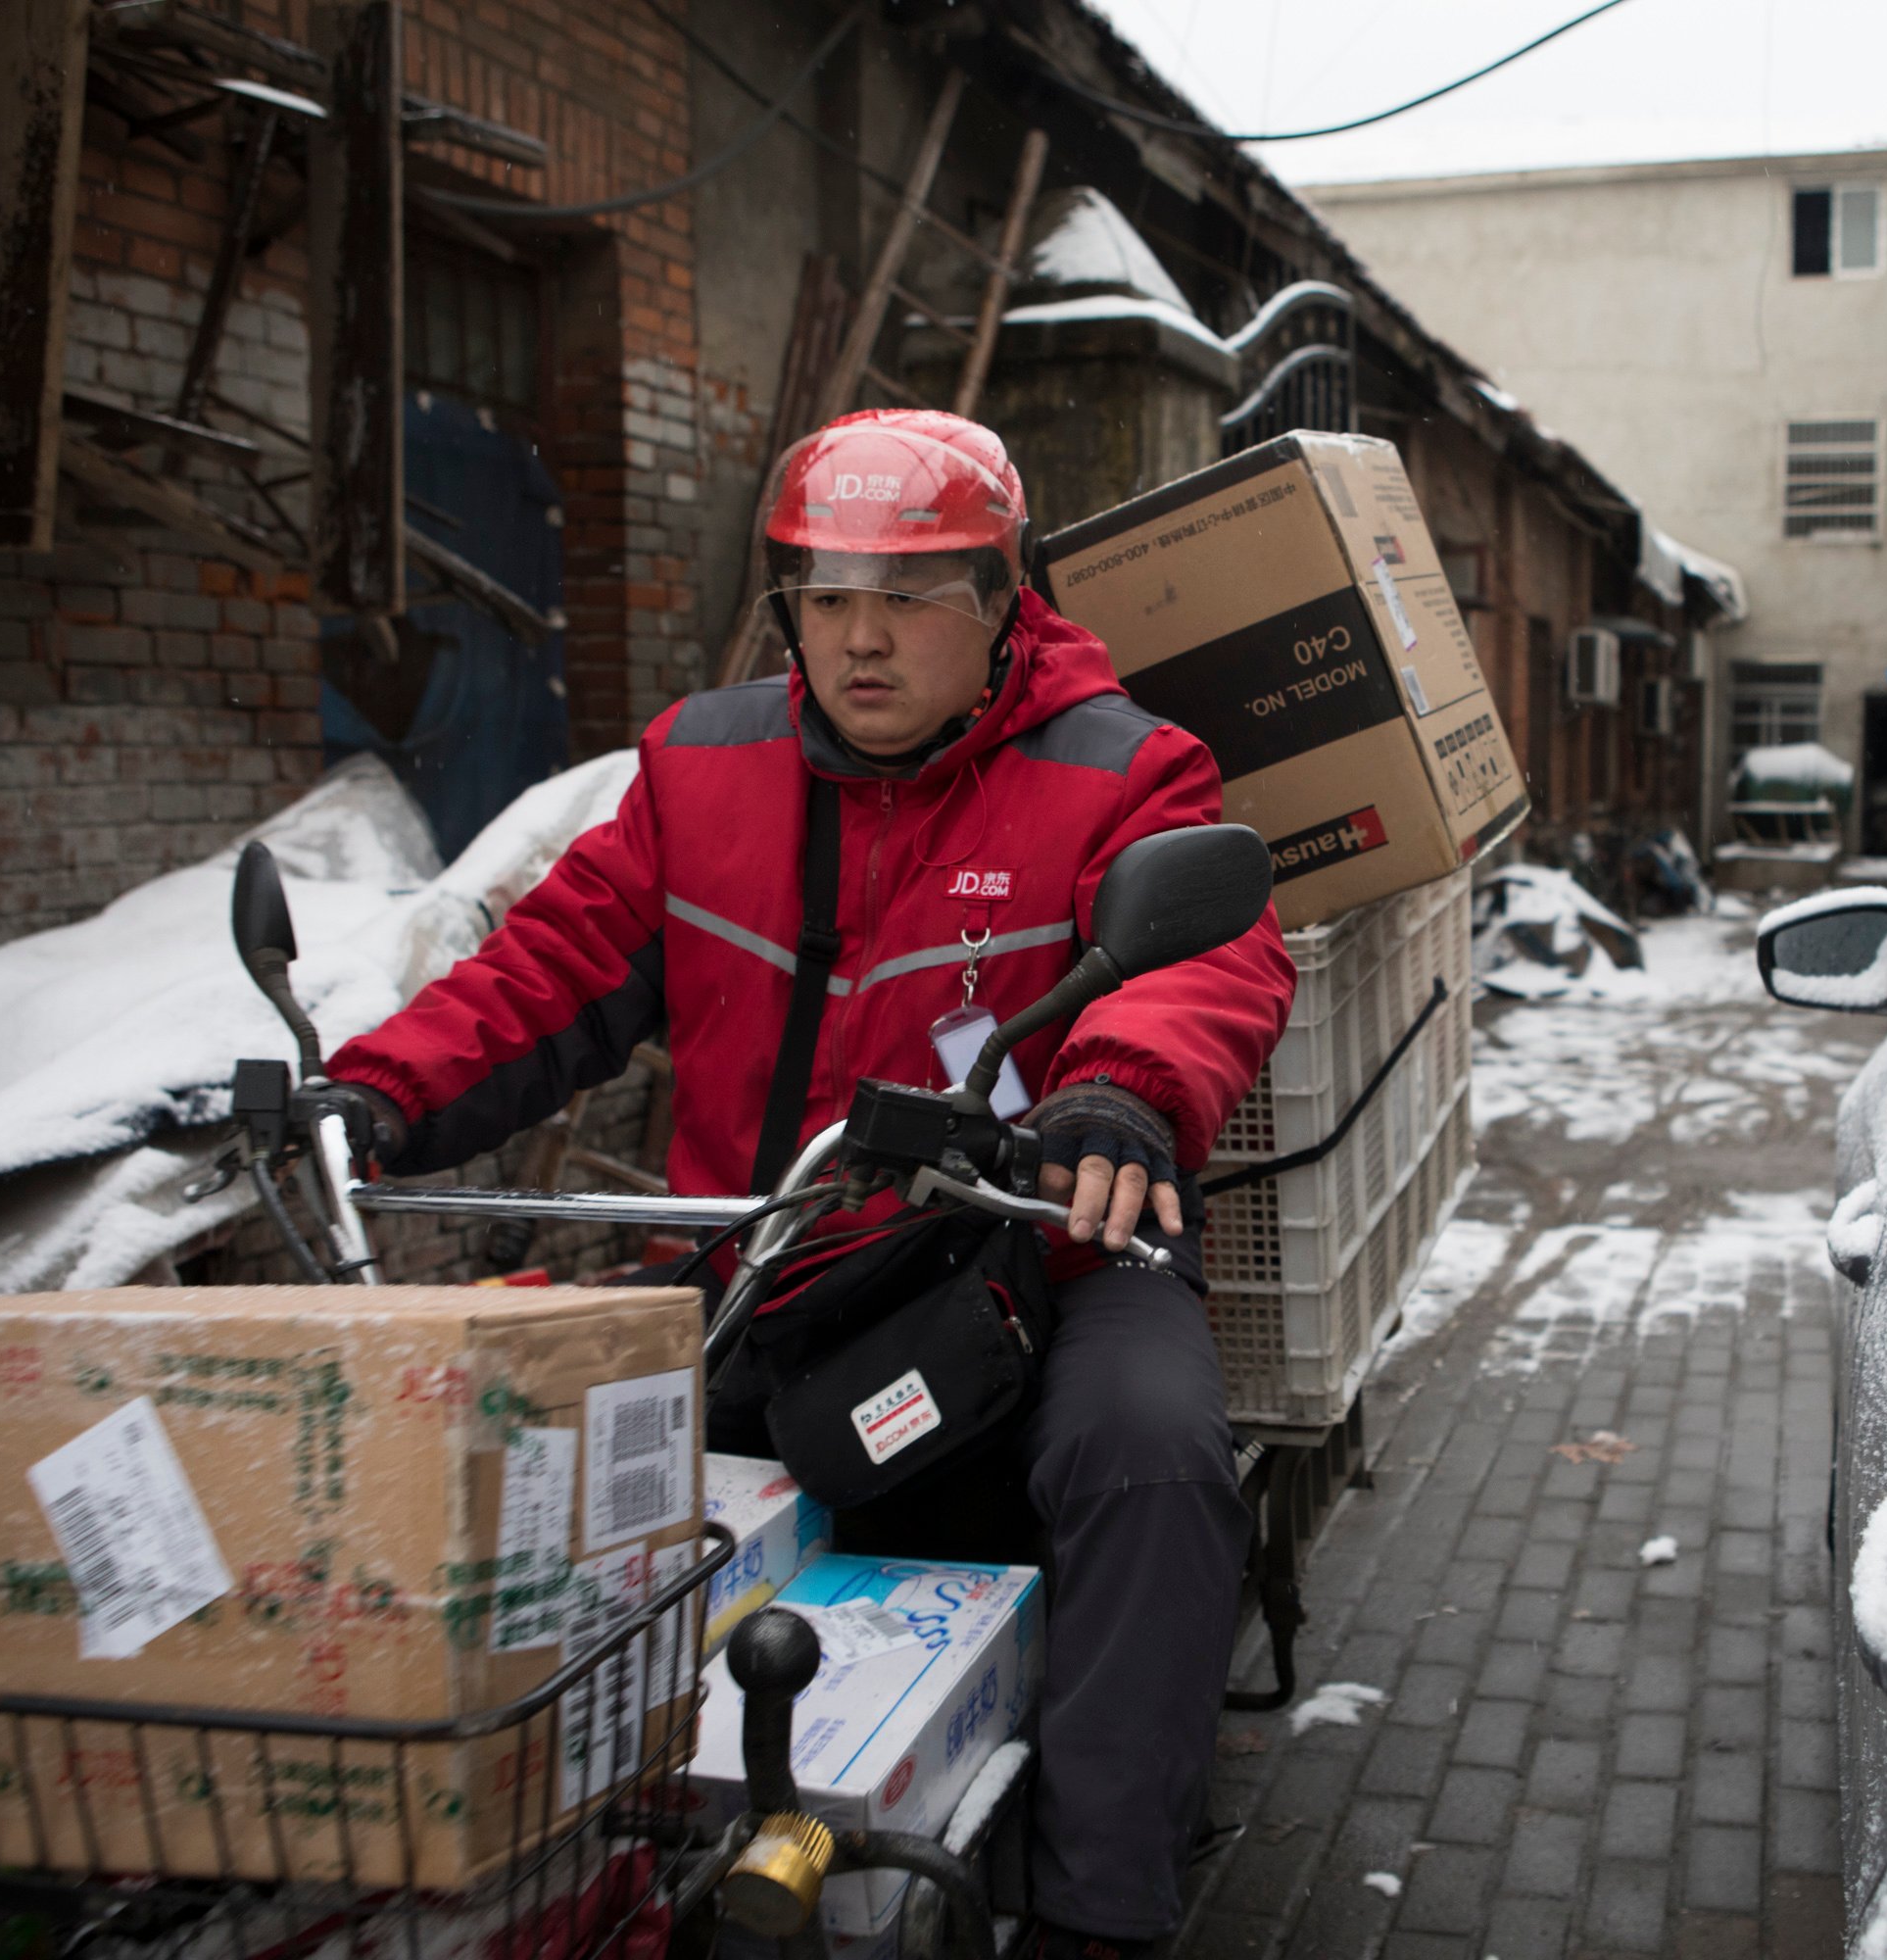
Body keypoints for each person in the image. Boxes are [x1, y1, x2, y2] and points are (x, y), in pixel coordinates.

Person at [314, 409, 1296, 1957]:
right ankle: (545, 1854)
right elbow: (556, 964)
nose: (862, 641)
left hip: (1038, 1253)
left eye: (908, 599)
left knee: (1153, 1457)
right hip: (762, 1255)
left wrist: (1121, 1090)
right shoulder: (700, 768)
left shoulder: (1121, 767)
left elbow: (1212, 955)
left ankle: (1099, 1910)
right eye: (827, 599)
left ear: (1002, 597)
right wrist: (377, 1088)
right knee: (518, 1456)